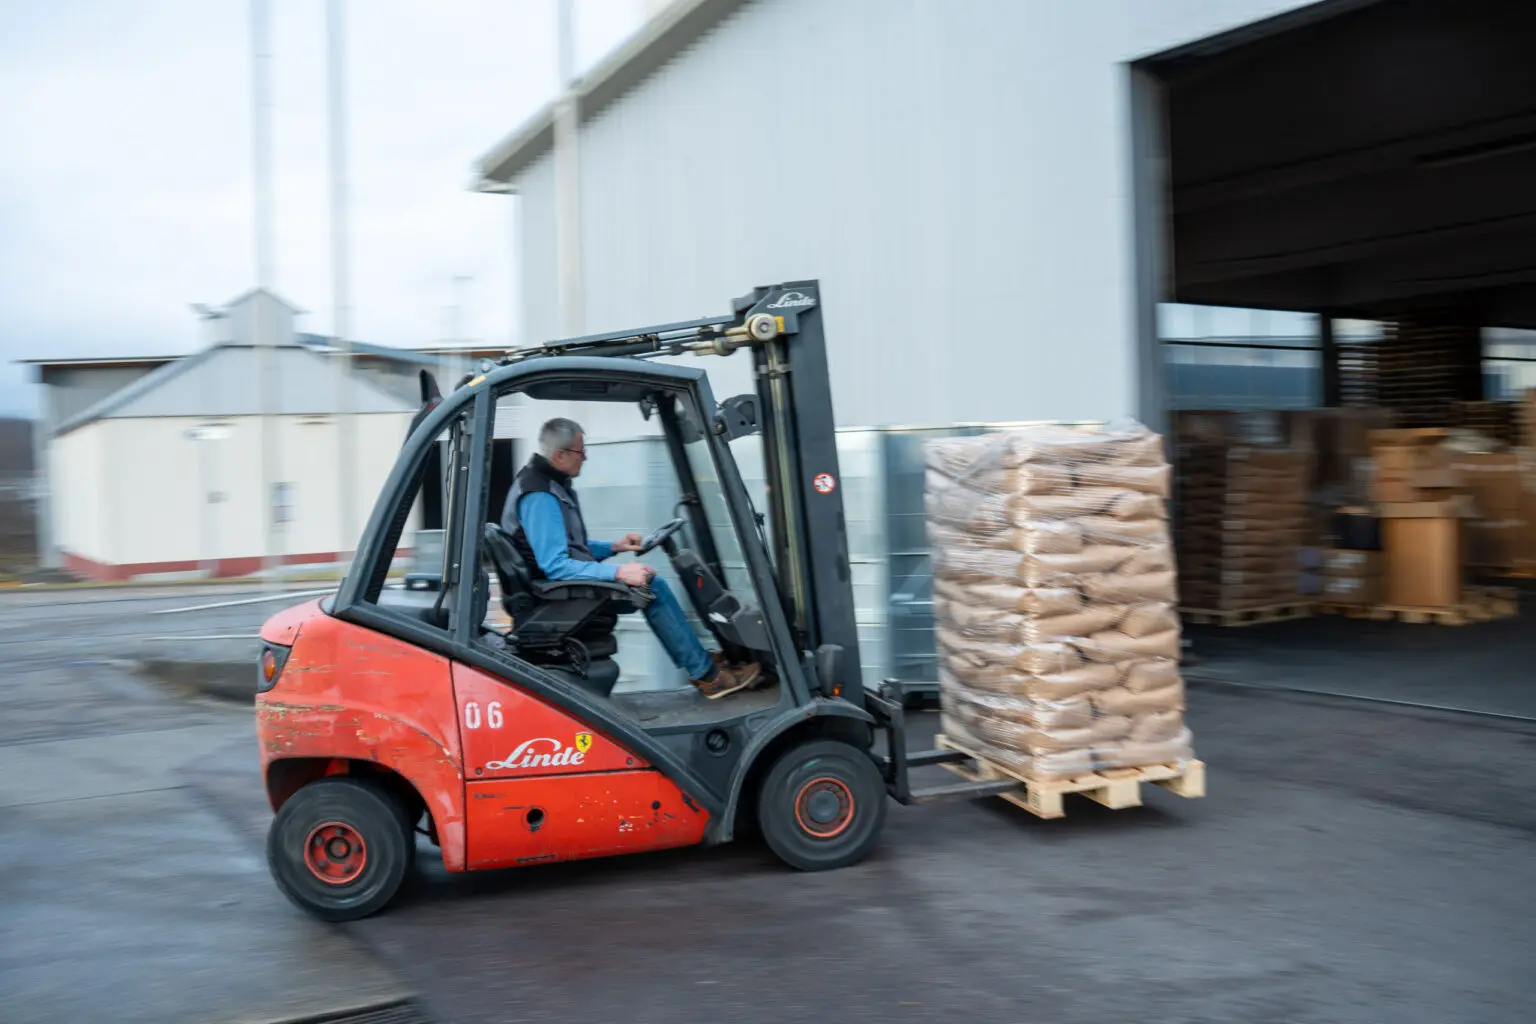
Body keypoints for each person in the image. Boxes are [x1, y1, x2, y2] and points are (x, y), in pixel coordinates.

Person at [501, 417, 764, 700]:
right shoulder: (540, 495)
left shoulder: (550, 484)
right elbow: (555, 565)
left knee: (651, 584)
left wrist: (615, 546)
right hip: (558, 596)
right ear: (559, 455)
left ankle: (702, 665)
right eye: (580, 452)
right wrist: (619, 574)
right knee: (651, 588)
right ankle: (708, 677)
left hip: (562, 589)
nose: (585, 457)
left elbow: (568, 546)